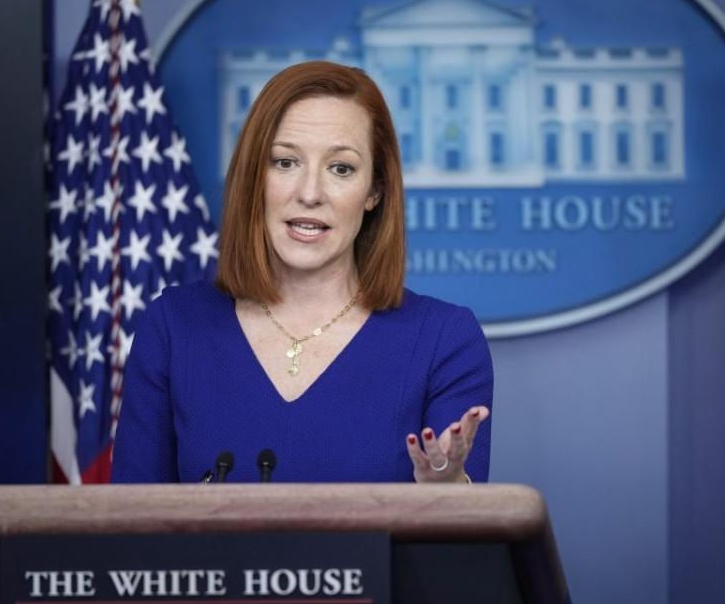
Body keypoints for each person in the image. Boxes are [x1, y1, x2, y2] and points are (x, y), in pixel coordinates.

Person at [112, 61, 492, 483]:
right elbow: (131, 530)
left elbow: (459, 539)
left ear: (374, 191)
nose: (309, 193)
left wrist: (448, 493)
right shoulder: (173, 326)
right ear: (254, 177)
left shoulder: (445, 340)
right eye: (285, 162)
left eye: (341, 168)